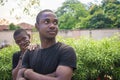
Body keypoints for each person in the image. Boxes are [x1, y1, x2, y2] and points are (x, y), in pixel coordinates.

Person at [17, 9, 77, 80]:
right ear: (37, 26)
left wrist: (29, 74)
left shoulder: (66, 51)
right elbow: (19, 77)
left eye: (55, 22)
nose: (52, 26)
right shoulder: (30, 51)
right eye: (46, 22)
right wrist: (52, 76)